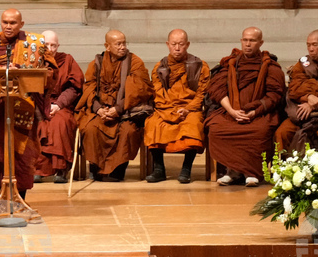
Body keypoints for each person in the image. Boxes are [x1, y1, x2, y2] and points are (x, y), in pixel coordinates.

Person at [0, 9, 47, 193]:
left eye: (13, 23)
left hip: (24, 107)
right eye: (5, 22)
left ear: (21, 24)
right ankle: (0, 197)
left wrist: (21, 69)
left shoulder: (34, 45)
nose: (8, 26)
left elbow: (49, 73)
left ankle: (20, 198)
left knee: (22, 155)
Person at [205, 27, 285, 187]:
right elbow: (217, 89)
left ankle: (252, 172)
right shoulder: (230, 63)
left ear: (260, 42)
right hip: (231, 111)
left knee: (260, 131)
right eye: (245, 40)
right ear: (241, 41)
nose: (248, 44)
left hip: (260, 113)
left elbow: (274, 95)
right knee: (216, 129)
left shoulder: (270, 66)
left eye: (252, 40)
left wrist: (255, 112)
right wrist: (232, 111)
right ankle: (232, 171)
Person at [76, 29, 152, 182]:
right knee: (90, 129)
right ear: (107, 46)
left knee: (128, 132)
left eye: (124, 43)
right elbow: (89, 87)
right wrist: (98, 109)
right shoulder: (97, 63)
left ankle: (118, 169)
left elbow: (139, 90)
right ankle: (96, 167)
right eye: (118, 44)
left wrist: (117, 109)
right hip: (101, 111)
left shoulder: (134, 62)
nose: (122, 47)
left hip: (125, 111)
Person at [143, 29, 211, 184]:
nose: (177, 48)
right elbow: (158, 94)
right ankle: (159, 169)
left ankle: (186, 169)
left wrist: (188, 108)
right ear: (168, 45)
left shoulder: (200, 66)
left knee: (193, 124)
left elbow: (202, 93)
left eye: (181, 44)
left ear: (187, 45)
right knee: (153, 123)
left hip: (190, 108)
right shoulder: (160, 67)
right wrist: (171, 112)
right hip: (166, 108)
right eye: (174, 44)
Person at [34, 30, 84, 183]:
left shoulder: (67, 60)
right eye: (46, 45)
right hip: (37, 105)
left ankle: (61, 169)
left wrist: (59, 104)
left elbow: (74, 88)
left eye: (53, 45)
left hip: (61, 105)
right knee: (36, 124)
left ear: (58, 46)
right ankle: (38, 169)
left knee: (60, 123)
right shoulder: (32, 61)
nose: (50, 49)